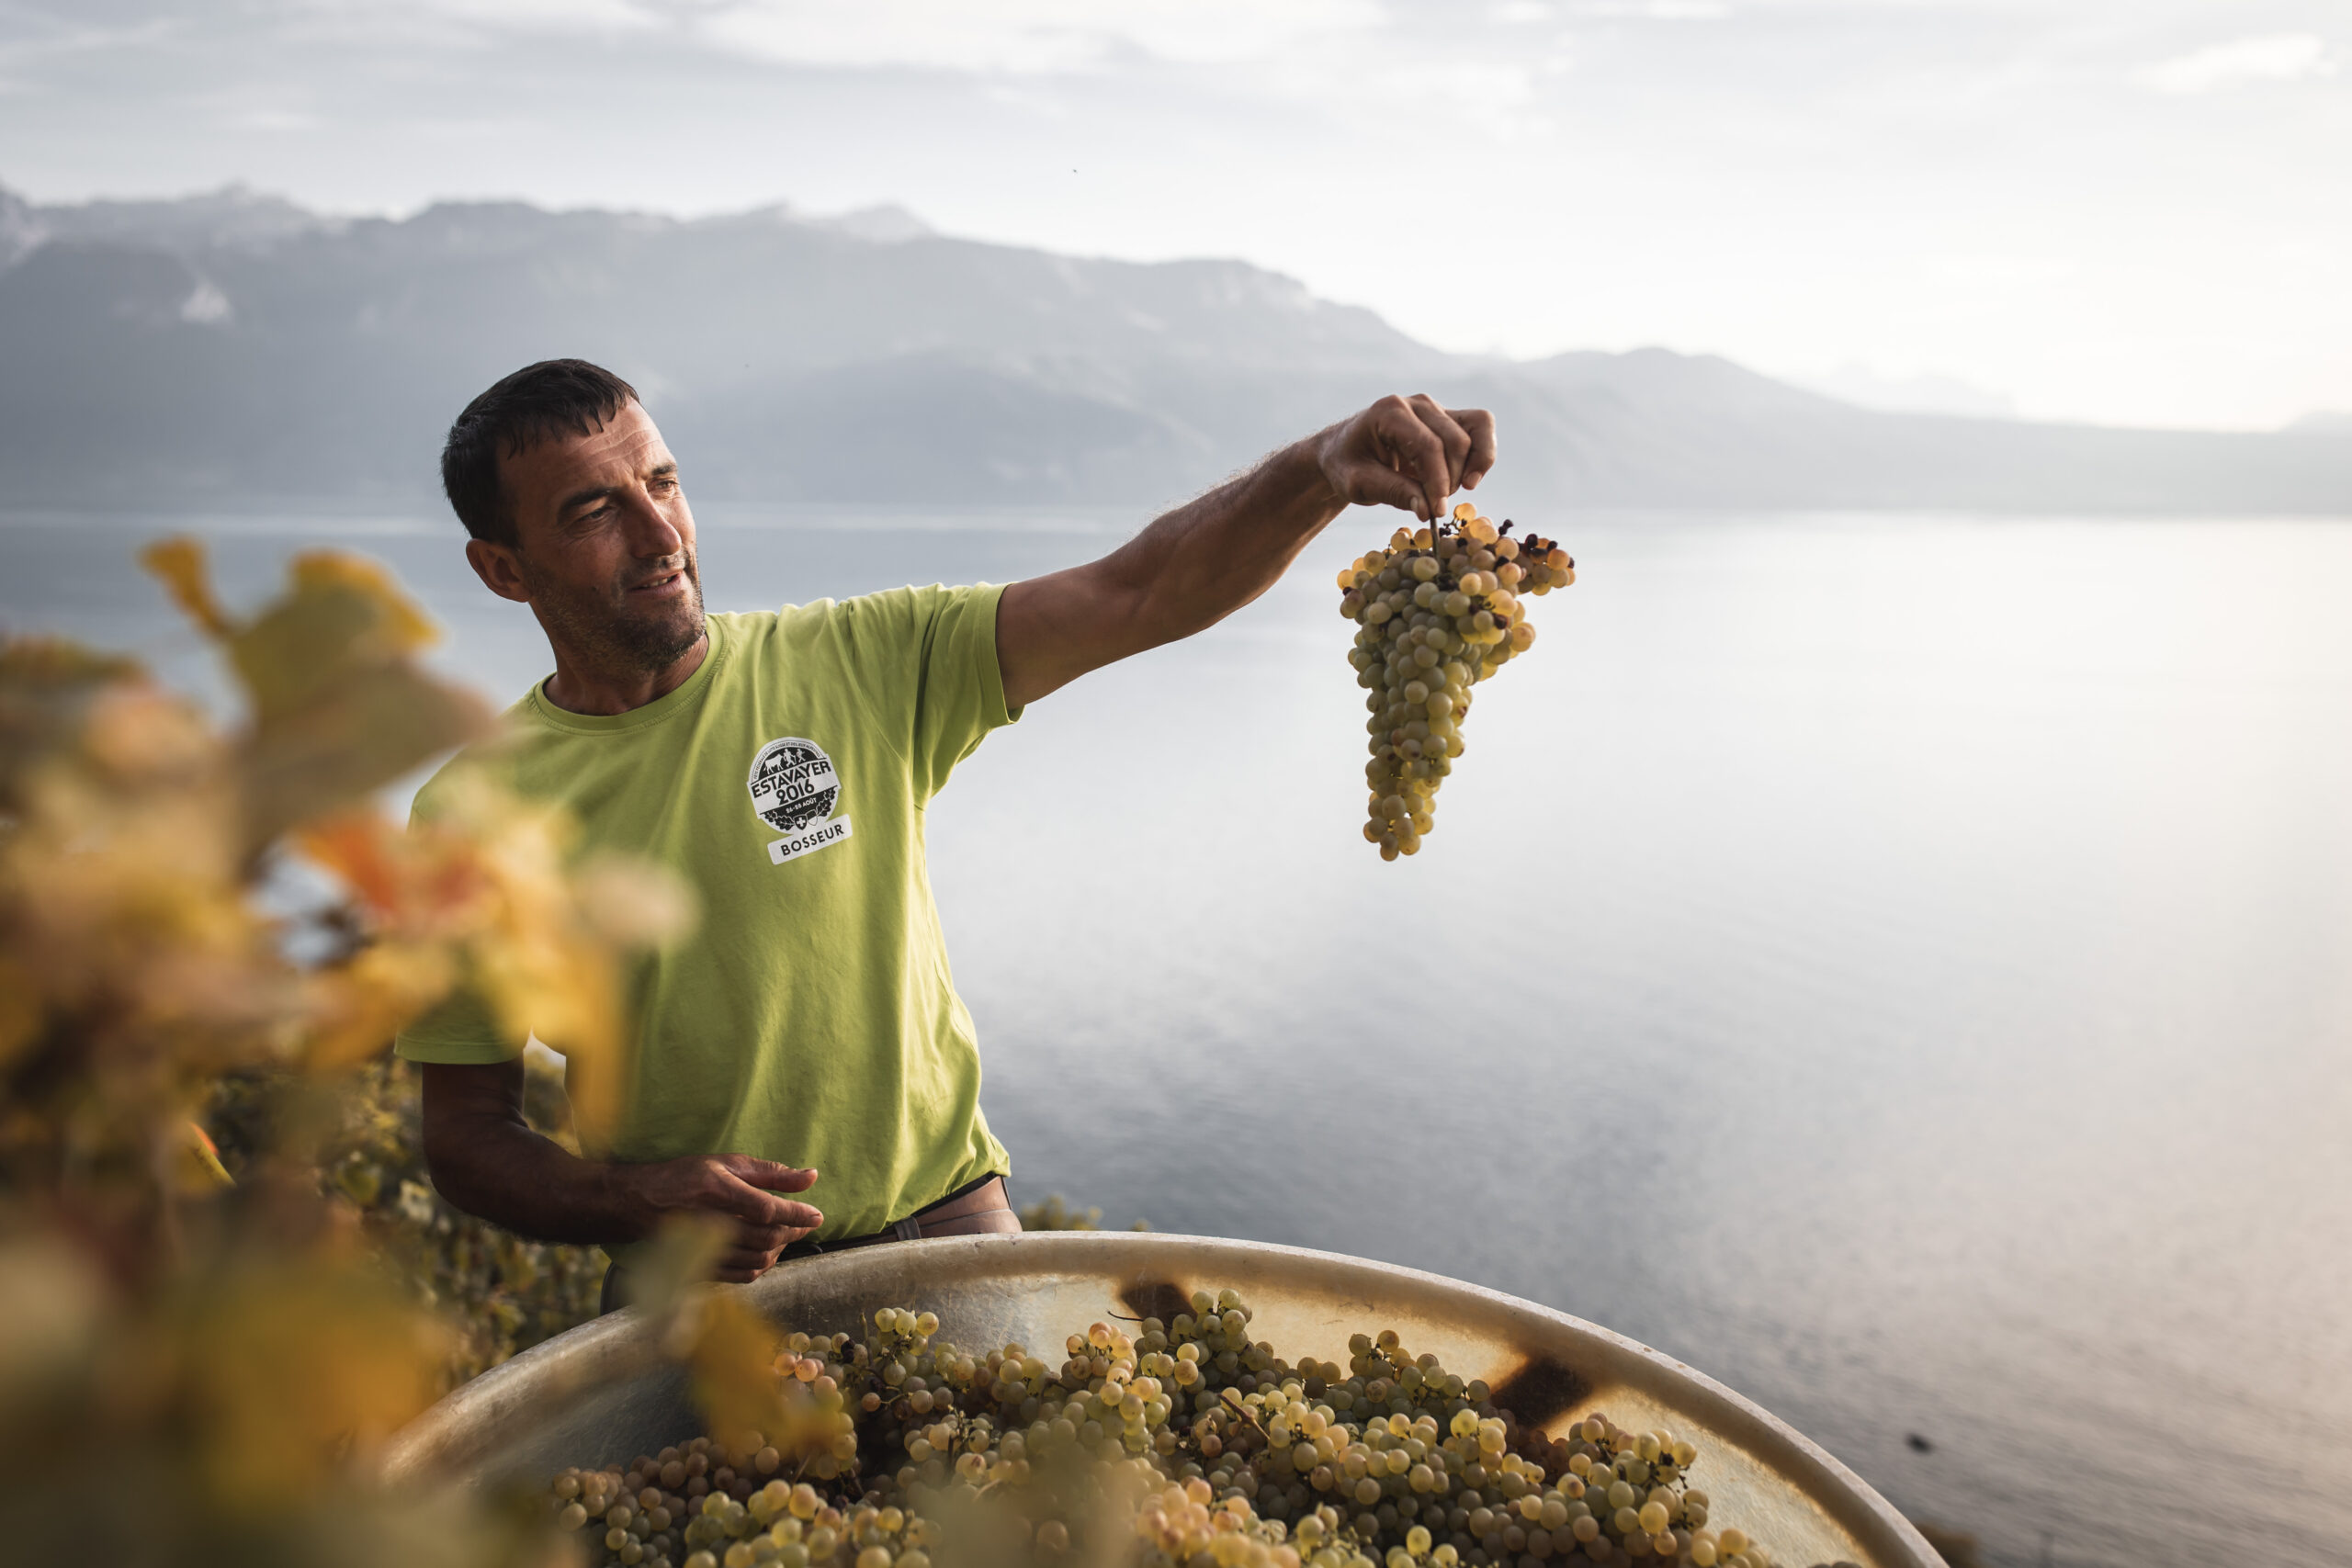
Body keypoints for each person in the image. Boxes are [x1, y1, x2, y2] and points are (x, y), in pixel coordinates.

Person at [400, 358, 1496, 1309]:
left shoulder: (857, 663)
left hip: (952, 1240)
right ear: (503, 570)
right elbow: (464, 1133)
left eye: (664, 483)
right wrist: (629, 1199)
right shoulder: (472, 813)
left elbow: (1142, 588)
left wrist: (1319, 467)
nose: (658, 537)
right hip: (695, 1290)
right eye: (594, 513)